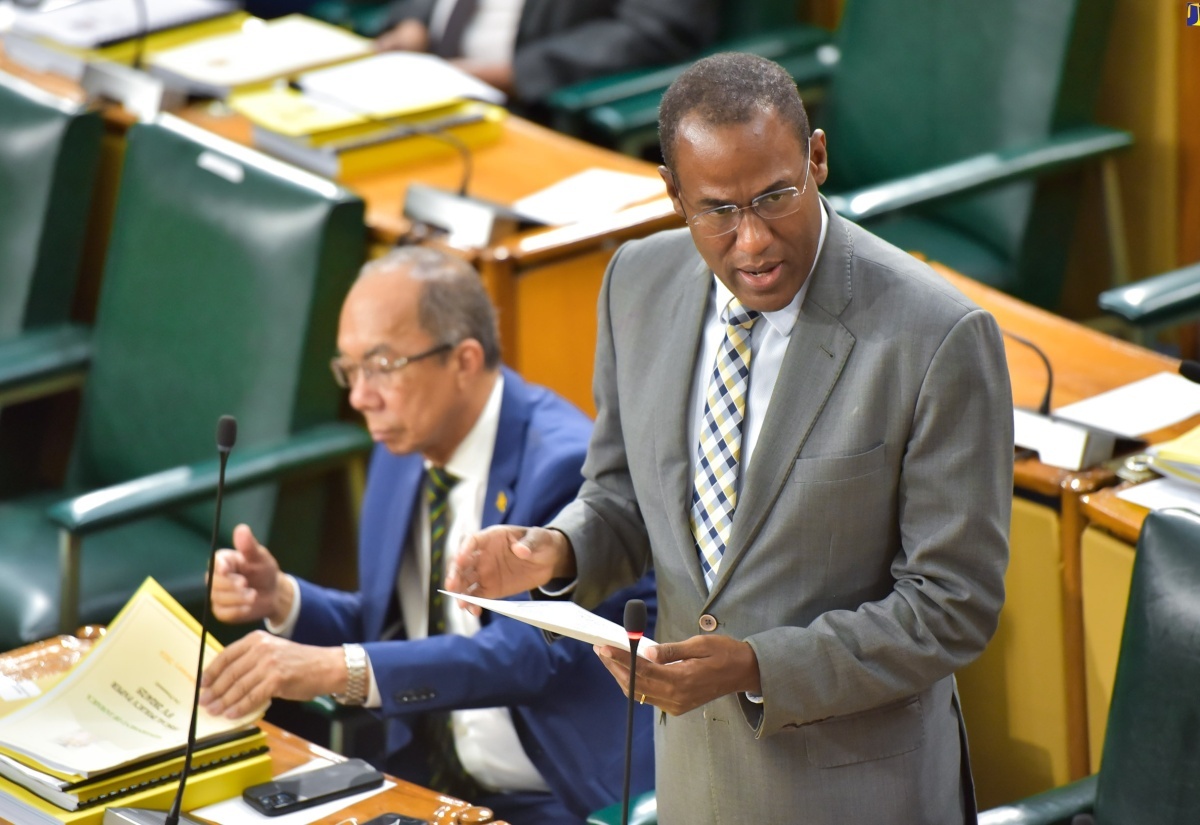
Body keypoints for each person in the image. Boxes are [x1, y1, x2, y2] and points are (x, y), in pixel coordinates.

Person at [447, 52, 1014, 824]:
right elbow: (622, 494)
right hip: (694, 783)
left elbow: (953, 604)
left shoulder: (935, 336)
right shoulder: (636, 284)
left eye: (776, 196)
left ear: (816, 157)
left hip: (859, 793)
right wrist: (558, 549)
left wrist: (755, 664)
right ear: (673, 194)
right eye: (718, 210)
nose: (752, 242)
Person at [198, 246, 657, 825]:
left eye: (381, 365)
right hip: (426, 779)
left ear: (464, 360)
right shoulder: (404, 444)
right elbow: (396, 625)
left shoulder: (566, 466)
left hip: (556, 799)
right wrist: (284, 600)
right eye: (350, 369)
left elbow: (523, 658)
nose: (360, 397)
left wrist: (337, 669)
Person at [374, 0, 719, 111]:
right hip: (410, 82)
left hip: (526, 108)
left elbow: (660, 25)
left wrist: (516, 75)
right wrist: (414, 22)